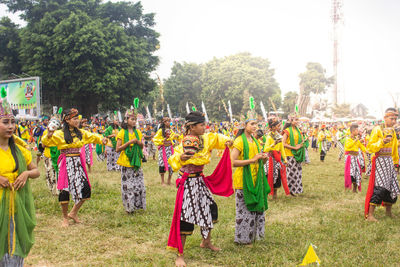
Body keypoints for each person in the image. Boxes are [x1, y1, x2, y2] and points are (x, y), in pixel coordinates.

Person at [167, 111, 233, 267]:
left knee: (210, 208)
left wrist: (229, 140)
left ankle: (206, 242)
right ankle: (180, 255)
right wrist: (181, 158)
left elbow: (219, 138)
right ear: (192, 127)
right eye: (202, 125)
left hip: (200, 181)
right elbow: (173, 160)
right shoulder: (184, 143)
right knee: (185, 217)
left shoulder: (207, 138)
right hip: (188, 184)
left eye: (204, 124)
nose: (205, 127)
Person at [42, 108, 107, 227]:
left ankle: (73, 213)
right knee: (64, 190)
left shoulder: (81, 133)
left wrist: (102, 139)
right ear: (67, 120)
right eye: (75, 118)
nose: (77, 121)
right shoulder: (59, 134)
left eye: (78, 118)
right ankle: (65, 218)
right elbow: (45, 143)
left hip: (78, 161)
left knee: (85, 188)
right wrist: (49, 134)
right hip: (66, 162)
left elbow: (92, 136)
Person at [0, 92, 40, 266]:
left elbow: (36, 171)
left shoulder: (20, 150)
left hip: (14, 207)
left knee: (12, 244)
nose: (11, 127)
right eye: (5, 122)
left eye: (13, 122)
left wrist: (26, 174)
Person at [231, 119, 270, 244]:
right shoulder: (239, 141)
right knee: (245, 210)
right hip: (243, 180)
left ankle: (254, 236)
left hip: (256, 180)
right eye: (252, 124)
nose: (255, 126)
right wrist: (252, 160)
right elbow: (232, 162)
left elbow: (258, 160)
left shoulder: (255, 141)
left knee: (256, 209)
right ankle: (243, 239)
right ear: (244, 125)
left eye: (256, 124)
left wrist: (263, 159)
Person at [365, 108, 399, 221]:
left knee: (392, 186)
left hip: (389, 161)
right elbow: (370, 147)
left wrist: (396, 163)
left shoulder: (393, 131)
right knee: (380, 186)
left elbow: (394, 149)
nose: (394, 121)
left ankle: (388, 212)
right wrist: (382, 142)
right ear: (385, 118)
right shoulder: (377, 130)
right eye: (391, 118)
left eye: (395, 119)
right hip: (380, 160)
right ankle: (370, 215)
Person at [115, 109, 146, 214]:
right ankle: (129, 208)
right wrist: (129, 142)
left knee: (138, 184)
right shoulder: (122, 132)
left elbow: (142, 146)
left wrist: (137, 142)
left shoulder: (138, 132)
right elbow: (117, 148)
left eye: (135, 119)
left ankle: (137, 205)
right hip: (126, 161)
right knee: (128, 186)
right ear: (126, 120)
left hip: (136, 161)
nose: (134, 121)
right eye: (132, 119)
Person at [263, 117, 289, 199]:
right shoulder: (269, 137)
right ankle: (266, 194)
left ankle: (275, 195)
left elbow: (282, 149)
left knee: (277, 176)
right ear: (273, 127)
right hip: (270, 159)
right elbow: (265, 149)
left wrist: (285, 159)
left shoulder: (279, 136)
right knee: (269, 176)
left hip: (277, 159)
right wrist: (273, 144)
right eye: (278, 126)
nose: (279, 127)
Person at [282, 114, 305, 196]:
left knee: (298, 172)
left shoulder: (299, 130)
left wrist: (302, 143)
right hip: (289, 154)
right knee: (291, 173)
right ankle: (290, 190)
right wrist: (294, 147)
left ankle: (297, 189)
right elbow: (283, 143)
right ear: (291, 121)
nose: (297, 121)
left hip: (297, 154)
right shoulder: (287, 131)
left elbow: (301, 141)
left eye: (298, 120)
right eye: (295, 120)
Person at [153, 117, 178, 185]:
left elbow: (173, 136)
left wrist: (177, 137)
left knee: (171, 163)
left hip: (170, 149)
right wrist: (163, 140)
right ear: (164, 122)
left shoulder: (171, 130)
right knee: (162, 164)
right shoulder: (160, 131)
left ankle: (169, 180)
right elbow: (155, 139)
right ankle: (162, 181)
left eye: (169, 121)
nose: (168, 123)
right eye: (167, 121)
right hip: (163, 149)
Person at [344, 124, 366, 193]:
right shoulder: (348, 139)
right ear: (353, 131)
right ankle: (351, 187)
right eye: (357, 130)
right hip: (350, 158)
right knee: (351, 173)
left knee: (357, 173)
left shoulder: (356, 139)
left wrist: (368, 151)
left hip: (356, 158)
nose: (358, 131)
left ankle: (355, 189)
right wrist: (355, 140)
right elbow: (348, 146)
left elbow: (361, 147)